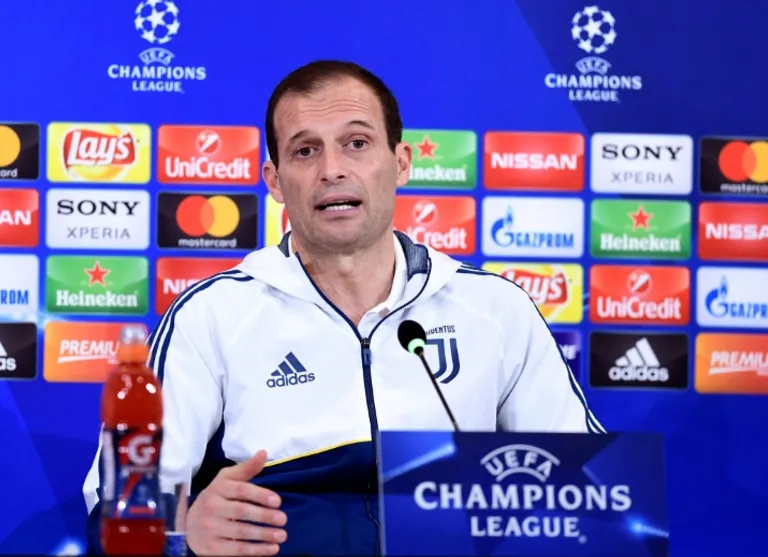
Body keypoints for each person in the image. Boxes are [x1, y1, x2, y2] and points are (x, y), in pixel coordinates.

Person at [83, 59, 604, 556]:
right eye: (305, 151)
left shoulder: (495, 309)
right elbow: (115, 512)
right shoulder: (211, 316)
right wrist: (185, 530)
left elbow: (589, 494)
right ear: (274, 180)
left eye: (357, 143)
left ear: (401, 163)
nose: (332, 170)